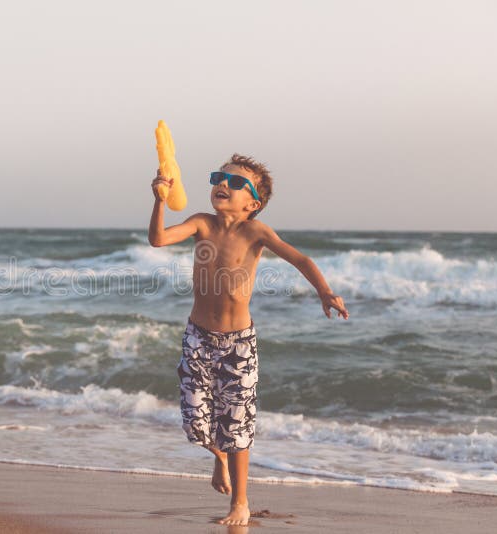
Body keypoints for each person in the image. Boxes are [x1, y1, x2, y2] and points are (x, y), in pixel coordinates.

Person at [148, 153, 349, 526]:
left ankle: (240, 502)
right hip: (197, 336)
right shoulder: (201, 224)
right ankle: (218, 457)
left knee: (237, 424)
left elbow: (301, 260)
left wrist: (325, 292)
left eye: (237, 182)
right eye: (219, 177)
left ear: (252, 203)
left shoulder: (256, 233)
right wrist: (160, 198)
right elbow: (158, 239)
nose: (224, 184)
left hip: (239, 342)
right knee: (195, 421)